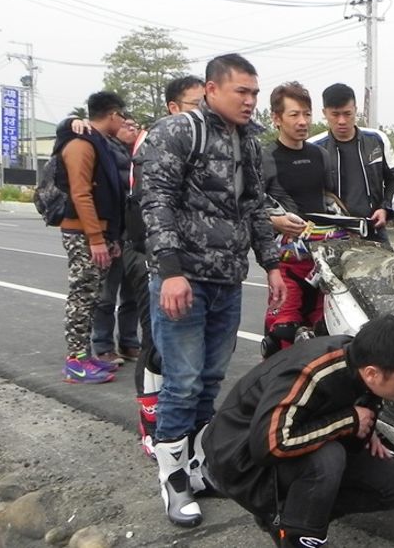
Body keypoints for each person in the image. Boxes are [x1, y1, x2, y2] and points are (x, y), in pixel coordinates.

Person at [138, 54, 284, 527]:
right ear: (211, 89)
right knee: (180, 382)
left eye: (255, 92)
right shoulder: (178, 131)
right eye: (242, 91)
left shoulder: (249, 141)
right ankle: (172, 480)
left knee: (209, 381)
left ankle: (198, 468)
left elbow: (256, 208)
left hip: (227, 279)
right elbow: (155, 200)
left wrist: (273, 266)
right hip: (184, 278)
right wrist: (171, 269)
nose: (250, 100)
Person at [204, 315, 394, 548]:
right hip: (239, 458)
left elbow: (345, 403)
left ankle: (289, 520)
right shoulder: (312, 372)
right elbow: (271, 444)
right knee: (328, 458)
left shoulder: (362, 359)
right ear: (372, 373)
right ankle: (297, 538)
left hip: (290, 440)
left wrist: (367, 429)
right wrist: (350, 421)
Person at [132, 75, 206, 457]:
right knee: (159, 347)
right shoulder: (157, 143)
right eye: (196, 104)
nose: (203, 111)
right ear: (174, 108)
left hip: (195, 266)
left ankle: (192, 444)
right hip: (161, 262)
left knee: (197, 367)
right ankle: (152, 424)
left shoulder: (207, 143)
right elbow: (154, 209)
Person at [54, 91, 128, 384]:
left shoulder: (99, 142)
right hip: (83, 231)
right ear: (112, 114)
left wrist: (111, 238)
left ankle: (85, 356)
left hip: (99, 231)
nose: (122, 121)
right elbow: (81, 193)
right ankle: (75, 361)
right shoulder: (81, 144)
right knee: (82, 296)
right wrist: (96, 238)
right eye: (121, 115)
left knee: (92, 295)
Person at [260, 81, 334, 357]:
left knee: (321, 330)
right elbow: (248, 206)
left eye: (307, 113)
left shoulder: (321, 155)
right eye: (294, 115)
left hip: (320, 260)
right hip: (284, 262)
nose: (303, 122)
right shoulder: (265, 158)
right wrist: (273, 221)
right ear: (276, 119)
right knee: (283, 332)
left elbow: (329, 202)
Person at [307, 83, 394, 245]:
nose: (341, 121)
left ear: (356, 110)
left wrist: (385, 209)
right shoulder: (313, 148)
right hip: (332, 234)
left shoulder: (377, 140)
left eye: (347, 114)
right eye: (335, 114)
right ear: (324, 113)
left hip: (374, 229)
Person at [89, 115, 142, 367]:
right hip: (114, 234)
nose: (132, 129)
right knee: (107, 296)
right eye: (126, 125)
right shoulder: (106, 149)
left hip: (135, 237)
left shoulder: (141, 153)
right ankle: (102, 345)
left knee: (132, 296)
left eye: (134, 126)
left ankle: (129, 342)